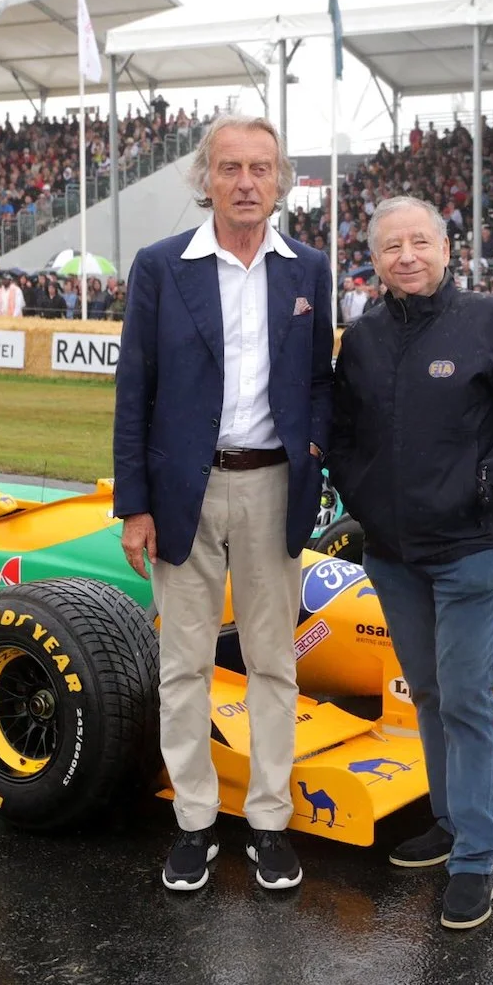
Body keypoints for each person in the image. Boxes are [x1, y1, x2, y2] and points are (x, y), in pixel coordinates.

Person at [328, 195, 493, 931]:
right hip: (393, 554)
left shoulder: (489, 321)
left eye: (419, 241)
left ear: (445, 248)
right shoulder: (362, 336)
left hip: (469, 548)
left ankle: (475, 857)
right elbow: (343, 431)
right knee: (426, 692)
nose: (406, 255)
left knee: (467, 698)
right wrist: (359, 494)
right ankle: (447, 818)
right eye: (392, 245)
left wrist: (490, 480)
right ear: (374, 258)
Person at [113, 115, 333, 894]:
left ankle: (270, 822)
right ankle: (196, 822)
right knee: (186, 665)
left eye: (261, 169)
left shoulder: (308, 268)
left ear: (281, 181)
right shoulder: (160, 266)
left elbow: (317, 382)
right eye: (231, 167)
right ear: (205, 177)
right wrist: (133, 501)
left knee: (275, 662)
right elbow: (133, 388)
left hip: (275, 485)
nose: (246, 182)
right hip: (184, 490)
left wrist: (314, 457)